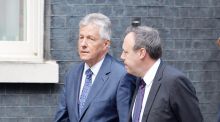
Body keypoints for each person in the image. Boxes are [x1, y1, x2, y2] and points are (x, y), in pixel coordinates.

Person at [54, 13, 135, 122]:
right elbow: (62, 118)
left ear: (106, 44)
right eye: (81, 37)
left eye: (90, 39)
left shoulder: (121, 76)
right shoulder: (72, 74)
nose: (83, 44)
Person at [120, 25, 203, 122]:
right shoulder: (139, 81)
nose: (122, 56)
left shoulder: (175, 82)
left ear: (141, 53)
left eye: (126, 52)